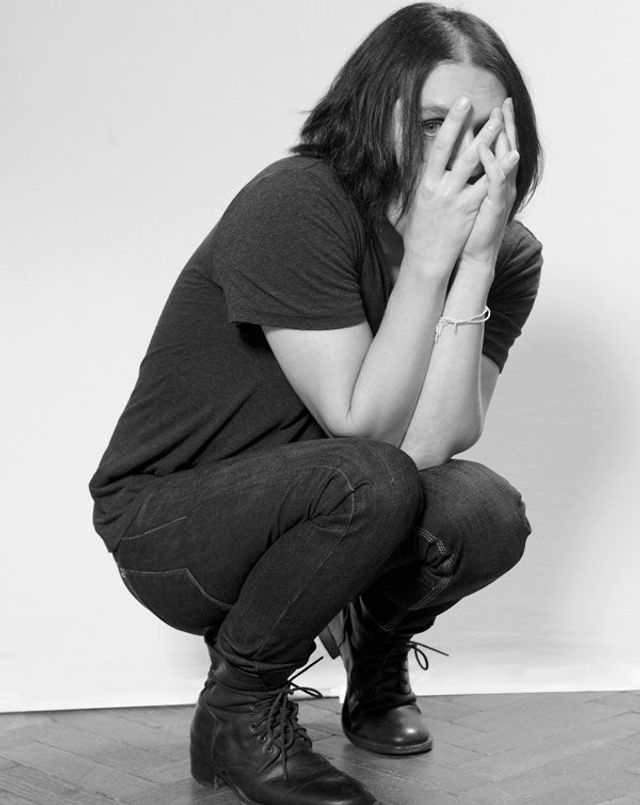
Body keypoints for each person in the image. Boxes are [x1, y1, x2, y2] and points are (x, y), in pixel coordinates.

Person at [89, 3, 543, 804]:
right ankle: (236, 713)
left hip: (336, 496)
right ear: (376, 114)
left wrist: (472, 264)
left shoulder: (506, 253)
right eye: (434, 121)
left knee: (486, 512)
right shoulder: (298, 202)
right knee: (370, 475)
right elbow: (362, 425)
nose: (460, 149)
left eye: (483, 128)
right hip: (171, 524)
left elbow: (436, 438)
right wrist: (429, 257)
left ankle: (374, 649)